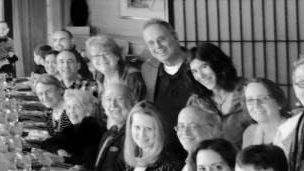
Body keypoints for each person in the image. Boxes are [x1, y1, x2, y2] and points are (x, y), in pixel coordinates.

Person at [73, 82, 135, 171]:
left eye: (119, 99)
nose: (113, 104)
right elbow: (99, 167)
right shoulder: (111, 132)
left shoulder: (132, 135)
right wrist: (82, 167)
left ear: (131, 101)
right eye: (108, 99)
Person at [140, 19, 192, 156]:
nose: (157, 46)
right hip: (162, 152)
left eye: (161, 39)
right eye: (151, 43)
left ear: (174, 36)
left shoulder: (197, 65)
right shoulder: (148, 69)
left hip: (193, 149)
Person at [186, 43, 252, 147]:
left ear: (218, 64)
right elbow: (191, 143)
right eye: (194, 71)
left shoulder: (248, 92)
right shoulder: (196, 102)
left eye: (204, 67)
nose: (201, 75)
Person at [40, 89, 104, 168]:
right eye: (69, 107)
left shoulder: (93, 130)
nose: (71, 111)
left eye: (76, 107)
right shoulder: (72, 129)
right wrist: (58, 150)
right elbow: (46, 143)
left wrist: (61, 159)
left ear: (88, 111)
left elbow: (87, 162)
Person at [86, 35, 145, 103]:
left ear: (117, 56)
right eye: (96, 56)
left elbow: (137, 107)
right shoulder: (100, 76)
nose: (102, 58)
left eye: (107, 54)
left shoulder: (132, 77)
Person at [241, 78, 291, 147]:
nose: (256, 105)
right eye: (250, 100)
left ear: (279, 102)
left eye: (263, 98)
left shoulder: (294, 133)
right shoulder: (249, 133)